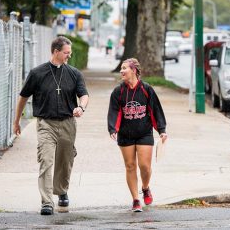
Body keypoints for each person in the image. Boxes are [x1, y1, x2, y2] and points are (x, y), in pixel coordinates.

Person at [13, 36, 89, 215]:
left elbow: (84, 95)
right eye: (66, 53)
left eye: (69, 53)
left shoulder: (74, 73)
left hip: (68, 123)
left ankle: (62, 191)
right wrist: (17, 121)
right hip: (46, 123)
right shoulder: (37, 73)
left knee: (65, 161)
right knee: (46, 160)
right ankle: (47, 202)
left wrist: (81, 107)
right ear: (56, 52)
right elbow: (23, 97)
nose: (69, 56)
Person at [107, 58, 167, 212]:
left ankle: (145, 187)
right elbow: (113, 111)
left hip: (144, 133)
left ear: (133, 70)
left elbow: (156, 110)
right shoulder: (118, 91)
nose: (121, 71)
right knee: (130, 166)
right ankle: (135, 199)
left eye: (124, 68)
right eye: (121, 68)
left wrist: (162, 130)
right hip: (125, 135)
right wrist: (113, 128)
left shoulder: (147, 89)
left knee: (145, 167)